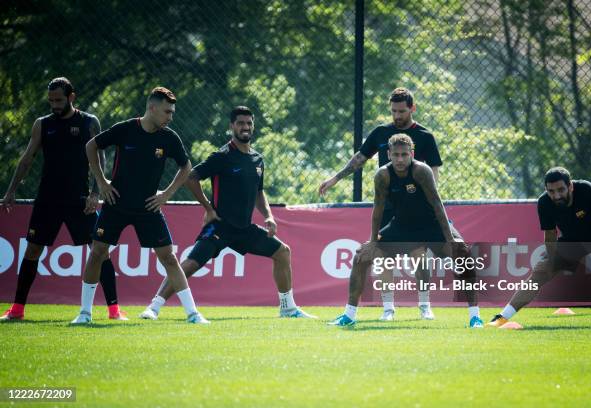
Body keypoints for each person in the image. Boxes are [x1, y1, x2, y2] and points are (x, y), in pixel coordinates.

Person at [139, 106, 315, 320]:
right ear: (232, 126)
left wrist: (268, 216)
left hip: (244, 229)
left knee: (283, 252)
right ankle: (154, 307)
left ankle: (288, 308)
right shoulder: (222, 156)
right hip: (220, 226)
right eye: (241, 123)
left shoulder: (258, 159)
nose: (245, 127)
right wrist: (208, 208)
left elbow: (259, 192)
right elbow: (191, 177)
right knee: (192, 263)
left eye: (249, 123)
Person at [70, 87, 207, 324]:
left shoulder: (169, 138)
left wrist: (166, 194)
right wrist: (102, 182)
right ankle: (84, 314)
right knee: (97, 253)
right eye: (167, 111)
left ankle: (193, 314)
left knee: (170, 259)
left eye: (172, 112)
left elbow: (186, 167)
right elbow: (91, 146)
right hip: (116, 204)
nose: (170, 117)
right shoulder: (125, 129)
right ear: (152, 108)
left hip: (149, 207)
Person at [0, 77, 126, 321]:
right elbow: (27, 158)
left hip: (80, 200)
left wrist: (95, 193)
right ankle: (17, 309)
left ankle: (114, 310)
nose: (54, 105)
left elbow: (99, 160)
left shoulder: (89, 122)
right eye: (51, 101)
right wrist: (11, 190)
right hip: (47, 199)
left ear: (71, 97)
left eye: (59, 100)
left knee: (100, 251)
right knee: (33, 250)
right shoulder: (42, 124)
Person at [328, 134, 483, 328]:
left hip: (431, 224)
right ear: (388, 155)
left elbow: (437, 204)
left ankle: (475, 317)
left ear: (412, 154)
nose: (400, 159)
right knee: (361, 255)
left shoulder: (421, 171)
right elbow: (378, 210)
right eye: (395, 155)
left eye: (404, 154)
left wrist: (450, 238)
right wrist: (373, 241)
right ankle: (349, 315)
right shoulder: (382, 175)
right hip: (402, 225)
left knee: (463, 254)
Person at [319, 87, 446, 321]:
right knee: (383, 257)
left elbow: (434, 173)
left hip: (416, 210)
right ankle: (388, 309)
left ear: (412, 109)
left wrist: (430, 203)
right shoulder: (380, 133)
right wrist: (335, 178)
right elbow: (360, 158)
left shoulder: (426, 136)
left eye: (402, 111)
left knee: (419, 254)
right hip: (389, 206)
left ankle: (425, 306)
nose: (397, 116)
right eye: (393, 111)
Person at [487, 167, 591, 328]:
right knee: (540, 272)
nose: (556, 195)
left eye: (561, 190)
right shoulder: (545, 202)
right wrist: (552, 262)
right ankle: (502, 317)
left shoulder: (586, 190)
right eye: (551, 191)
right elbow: (550, 236)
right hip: (573, 242)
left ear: (571, 186)